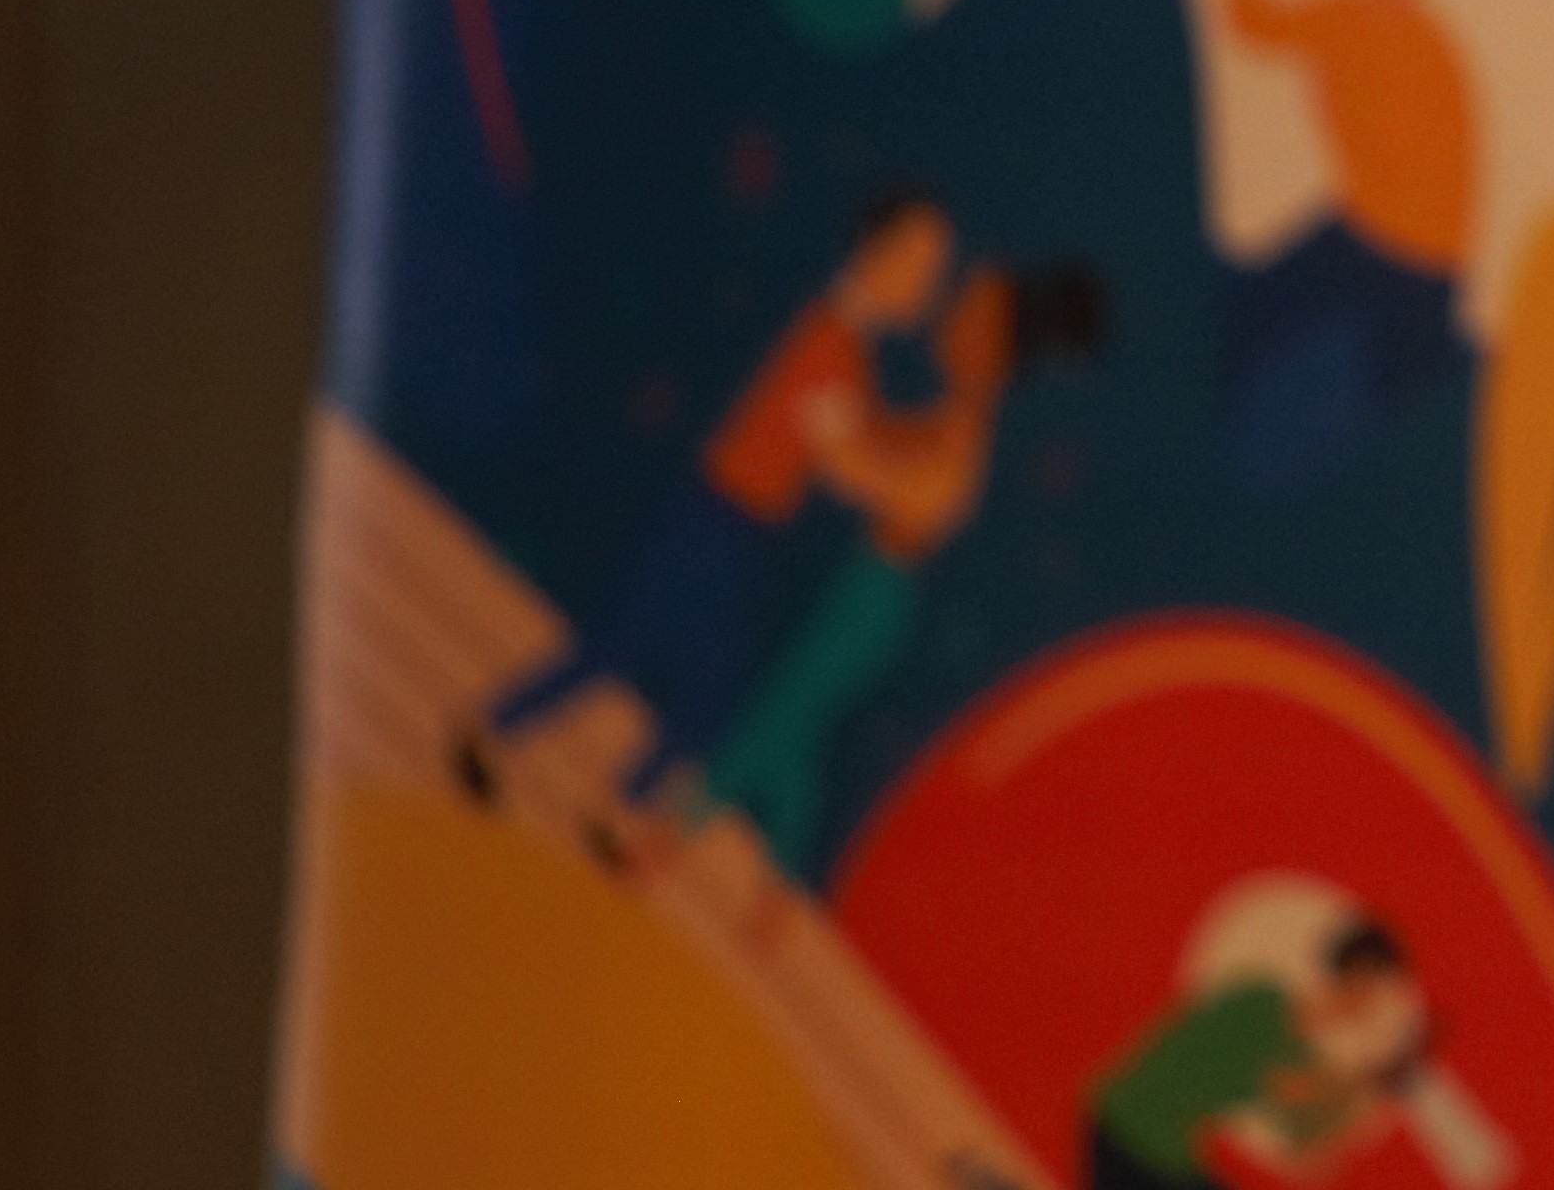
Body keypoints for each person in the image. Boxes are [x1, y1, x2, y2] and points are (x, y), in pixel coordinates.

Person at [461, 187, 953, 837]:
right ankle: (513, 744)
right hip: (714, 520)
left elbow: (855, 442)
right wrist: (916, 494)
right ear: (877, 254)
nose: (926, 285)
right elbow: (844, 462)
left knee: (681, 681)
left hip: (730, 527)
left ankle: (597, 794)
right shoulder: (830, 342)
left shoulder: (847, 350)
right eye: (918, 264)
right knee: (636, 656)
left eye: (934, 271)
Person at [697, 254, 1108, 878]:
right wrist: (843, 418)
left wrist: (842, 452)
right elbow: (878, 435)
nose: (950, 318)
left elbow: (909, 489)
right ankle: (775, 888)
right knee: (797, 723)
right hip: (865, 581)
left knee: (782, 709)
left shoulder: (963, 436)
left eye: (969, 314)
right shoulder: (945, 416)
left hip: (876, 597)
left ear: (994, 346)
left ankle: (668, 834)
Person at [1216, 0, 1478, 486]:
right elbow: (1249, 17)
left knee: (1269, 345)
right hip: (1372, 235)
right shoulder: (1343, 11)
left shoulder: (1419, 42)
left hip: (1403, 260)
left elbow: (1440, 185)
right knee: (1244, 323)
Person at [1083, 900, 1432, 1189]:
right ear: (1357, 977)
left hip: (1158, 1148)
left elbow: (1306, 1152)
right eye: (1373, 990)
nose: (1373, 1007)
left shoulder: (1299, 1051)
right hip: (1132, 1132)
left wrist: (1370, 1085)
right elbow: (1252, 1068)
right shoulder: (1261, 1001)